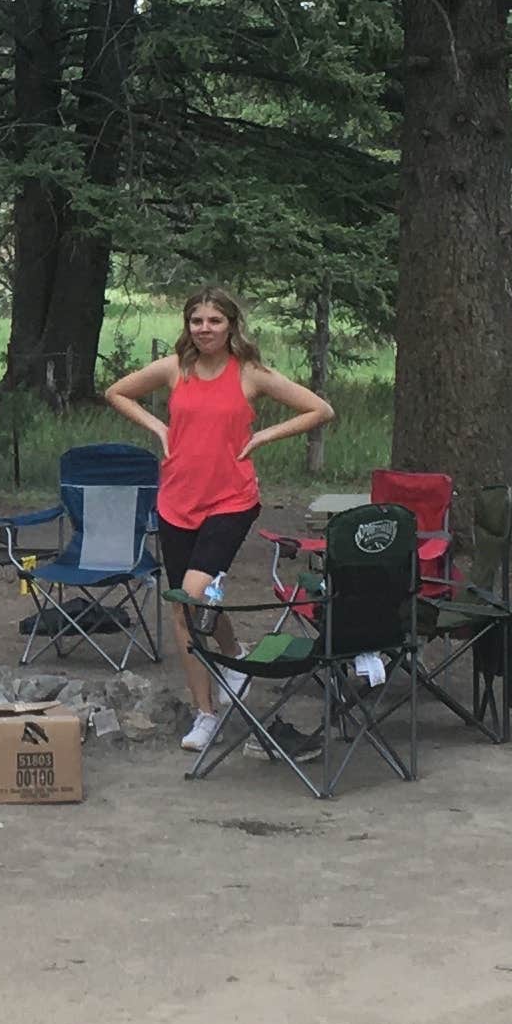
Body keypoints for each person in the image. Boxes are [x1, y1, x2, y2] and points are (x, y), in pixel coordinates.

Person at [102, 292, 334, 749]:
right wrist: (159, 428)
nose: (204, 328)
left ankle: (212, 706)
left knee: (191, 597)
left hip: (231, 499)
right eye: (196, 320)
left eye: (214, 320)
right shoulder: (174, 369)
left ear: (231, 325)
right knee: (187, 604)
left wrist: (265, 434)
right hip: (176, 501)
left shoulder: (250, 373)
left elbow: (319, 410)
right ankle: (214, 692)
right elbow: (116, 392)